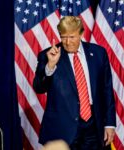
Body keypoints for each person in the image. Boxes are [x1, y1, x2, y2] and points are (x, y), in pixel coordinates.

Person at [33, 16, 116, 150]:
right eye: (63, 37)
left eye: (72, 37)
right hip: (62, 128)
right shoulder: (48, 55)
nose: (67, 42)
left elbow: (107, 90)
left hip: (94, 126)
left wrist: (110, 124)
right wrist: (50, 66)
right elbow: (39, 87)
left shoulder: (99, 53)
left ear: (81, 34)